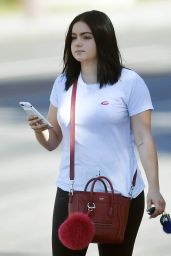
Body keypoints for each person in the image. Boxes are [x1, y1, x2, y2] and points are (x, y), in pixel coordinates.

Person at [28, 10, 166, 256]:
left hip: (121, 193)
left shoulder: (129, 82)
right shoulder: (63, 83)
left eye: (86, 37)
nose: (77, 43)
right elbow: (53, 140)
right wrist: (40, 131)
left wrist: (154, 188)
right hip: (72, 192)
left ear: (102, 39)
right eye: (73, 37)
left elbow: (144, 138)